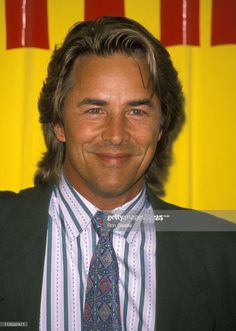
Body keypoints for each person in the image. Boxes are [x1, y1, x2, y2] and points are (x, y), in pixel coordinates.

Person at [0, 16, 235, 331]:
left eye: (136, 111)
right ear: (58, 123)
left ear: (162, 127)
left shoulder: (223, 254)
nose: (115, 135)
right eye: (95, 110)